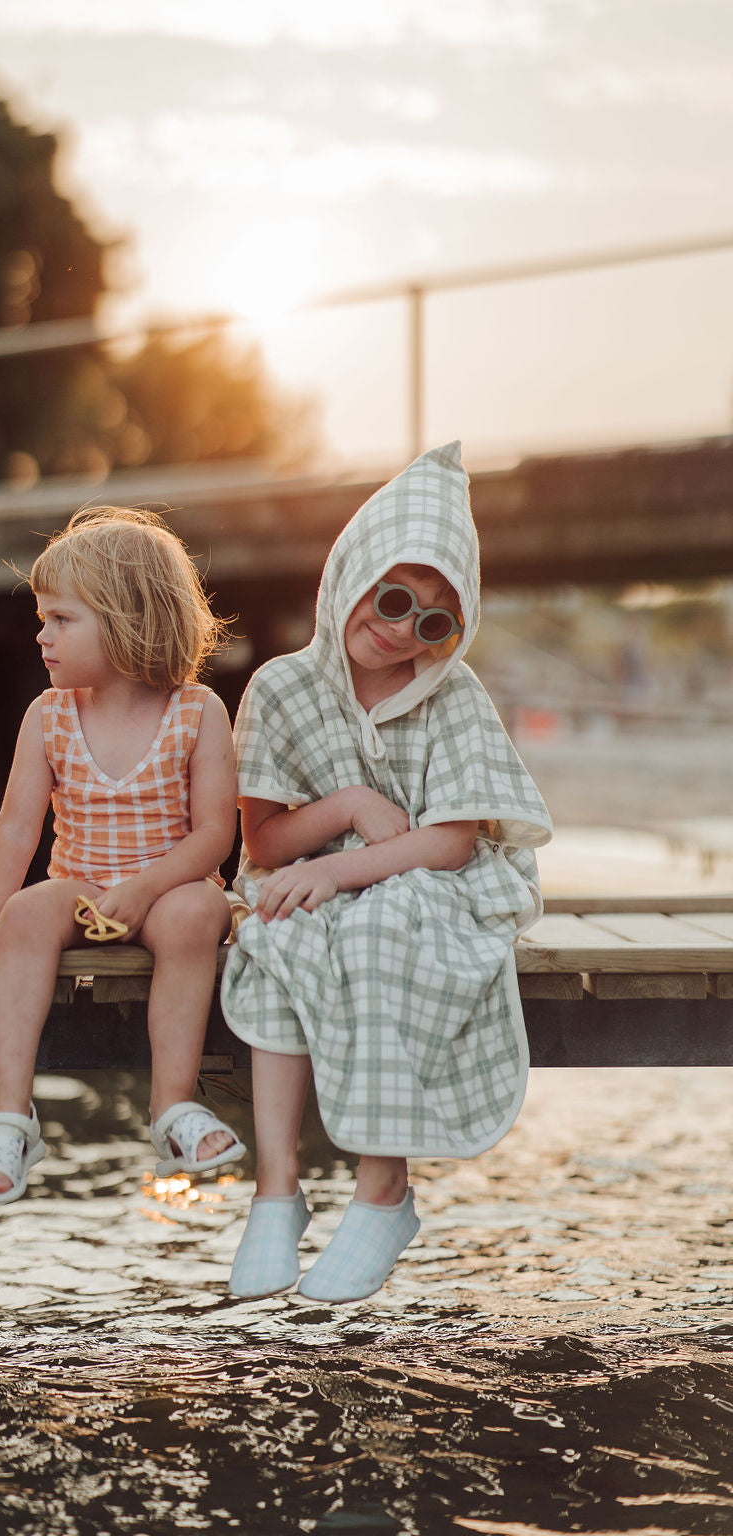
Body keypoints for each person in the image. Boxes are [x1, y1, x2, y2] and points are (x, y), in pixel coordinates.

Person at [220, 441, 552, 1304]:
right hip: (306, 877)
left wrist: (351, 872)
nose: (402, 628)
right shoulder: (282, 687)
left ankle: (382, 1188)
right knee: (272, 939)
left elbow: (450, 841)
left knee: (378, 929)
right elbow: (264, 846)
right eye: (395, 596)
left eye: (433, 620)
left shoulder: (454, 696)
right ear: (355, 572)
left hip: (427, 882)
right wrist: (346, 809)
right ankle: (278, 1189)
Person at [0, 507, 246, 1205]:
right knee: (25, 915)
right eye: (42, 619)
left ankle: (172, 1106)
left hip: (170, 888)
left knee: (200, 910)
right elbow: (17, 829)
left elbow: (213, 837)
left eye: (61, 620)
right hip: (79, 887)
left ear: (127, 617)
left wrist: (146, 887)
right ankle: (9, 1116)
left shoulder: (198, 711)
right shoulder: (47, 714)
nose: (41, 635)